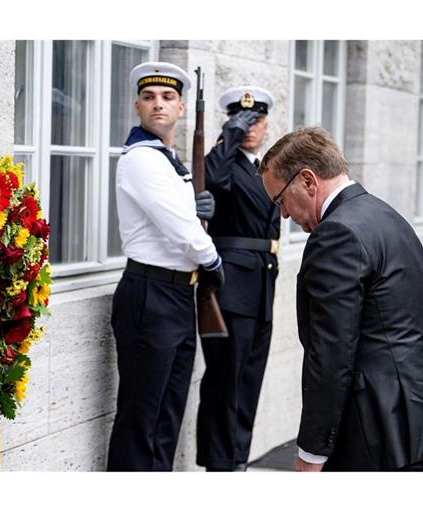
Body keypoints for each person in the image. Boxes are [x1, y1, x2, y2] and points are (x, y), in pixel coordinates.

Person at [258, 126, 423, 471]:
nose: (284, 214)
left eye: (280, 200)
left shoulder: (337, 234)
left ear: (308, 181)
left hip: (373, 430)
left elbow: (331, 353)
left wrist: (312, 452)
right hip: (417, 416)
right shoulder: (389, 217)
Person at [107, 61, 225, 471]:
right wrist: (211, 257)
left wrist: (196, 208)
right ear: (137, 107)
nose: (158, 104)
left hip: (178, 294)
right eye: (149, 97)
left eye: (168, 97)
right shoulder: (141, 158)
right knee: (141, 419)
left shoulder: (167, 160)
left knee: (166, 417)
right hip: (150, 294)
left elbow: (181, 219)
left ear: (180, 108)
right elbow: (180, 230)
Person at [196, 86, 280, 472]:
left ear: (266, 124)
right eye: (241, 120)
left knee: (249, 379)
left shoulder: (267, 169)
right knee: (224, 381)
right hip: (230, 289)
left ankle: (238, 459)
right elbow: (209, 178)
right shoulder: (224, 163)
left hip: (262, 286)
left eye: (256, 120)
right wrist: (228, 135)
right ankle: (219, 463)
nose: (250, 127)